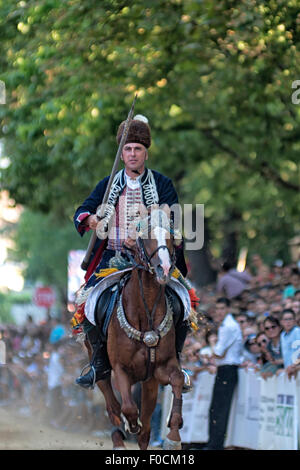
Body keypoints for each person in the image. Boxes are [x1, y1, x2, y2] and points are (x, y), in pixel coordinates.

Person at [73, 114, 190, 389]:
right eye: (128, 149)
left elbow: (170, 214)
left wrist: (145, 223)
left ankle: (177, 360)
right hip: (112, 260)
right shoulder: (107, 184)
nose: (133, 153)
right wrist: (92, 220)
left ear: (146, 153)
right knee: (86, 304)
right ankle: (98, 363)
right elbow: (82, 211)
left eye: (138, 149)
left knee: (184, 302)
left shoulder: (162, 184)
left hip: (153, 260)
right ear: (122, 154)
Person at [203, 297, 243, 450]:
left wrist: (212, 342)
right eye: (217, 308)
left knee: (219, 409)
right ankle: (213, 443)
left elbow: (218, 353)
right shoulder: (227, 325)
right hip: (225, 369)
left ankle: (215, 445)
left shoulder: (229, 326)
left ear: (228, 309)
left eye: (222, 309)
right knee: (216, 408)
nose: (219, 312)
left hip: (228, 370)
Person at [280, 309, 300, 375]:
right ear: (281, 322)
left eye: (290, 319)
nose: (288, 322)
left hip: (296, 369)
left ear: (294, 320)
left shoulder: (297, 331)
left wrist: (294, 365)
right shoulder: (282, 335)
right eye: (285, 319)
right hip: (288, 370)